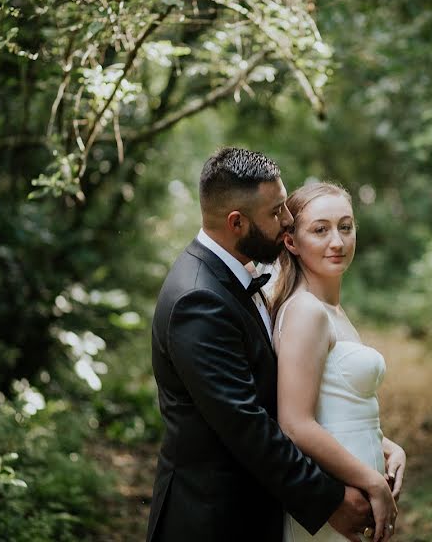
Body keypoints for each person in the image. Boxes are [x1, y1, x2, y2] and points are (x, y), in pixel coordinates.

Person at [146, 149, 373, 542]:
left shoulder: (240, 275)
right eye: (276, 212)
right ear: (237, 223)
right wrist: (330, 500)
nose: (288, 220)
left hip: (258, 510)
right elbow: (247, 426)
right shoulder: (197, 300)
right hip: (215, 520)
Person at [270, 182, 407, 542]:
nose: (338, 241)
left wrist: (388, 447)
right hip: (334, 500)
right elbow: (296, 423)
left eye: (345, 226)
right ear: (291, 242)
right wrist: (372, 482)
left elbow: (336, 408)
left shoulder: (331, 310)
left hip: (355, 499)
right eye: (321, 229)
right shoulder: (306, 311)